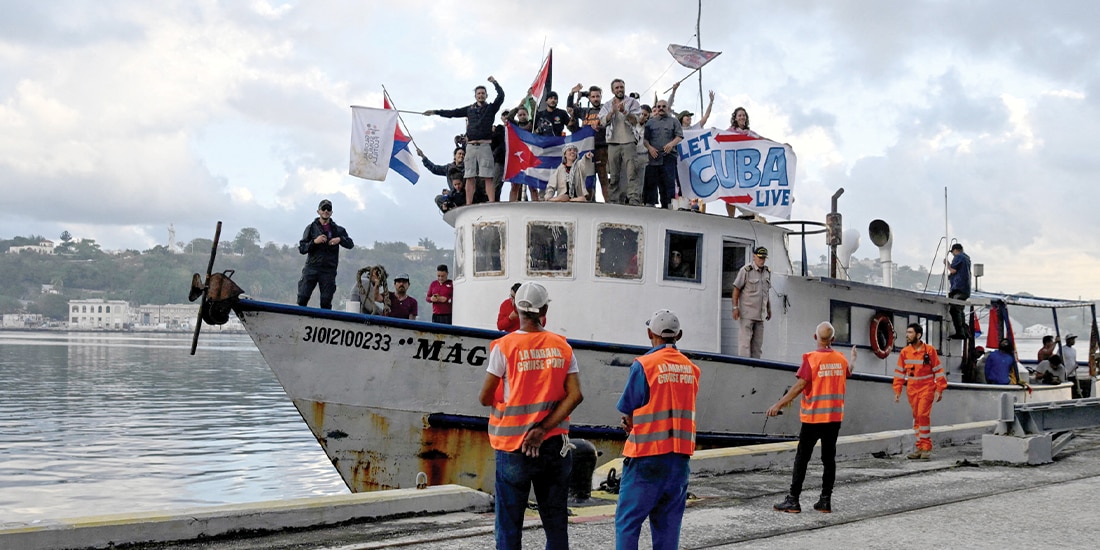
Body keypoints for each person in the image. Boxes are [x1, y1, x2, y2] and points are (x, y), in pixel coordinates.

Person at [478, 282, 583, 550]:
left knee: (509, 526)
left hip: (513, 448)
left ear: (515, 308)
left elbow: (484, 398)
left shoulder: (504, 347)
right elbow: (575, 395)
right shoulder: (562, 347)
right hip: (553, 448)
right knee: (556, 522)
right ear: (545, 309)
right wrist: (542, 430)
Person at [614, 309, 700, 549]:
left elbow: (629, 407)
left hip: (646, 458)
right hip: (679, 460)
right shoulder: (692, 369)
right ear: (679, 335)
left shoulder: (644, 365)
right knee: (668, 528)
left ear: (649, 332)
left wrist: (631, 422)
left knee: (628, 523)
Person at [769, 322, 856, 514]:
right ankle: (825, 501)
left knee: (802, 459)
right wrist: (853, 360)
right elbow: (848, 372)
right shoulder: (841, 359)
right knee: (828, 459)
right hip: (834, 418)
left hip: (813, 418)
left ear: (815, 337)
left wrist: (778, 404)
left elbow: (799, 386)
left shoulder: (811, 359)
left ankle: (793, 500)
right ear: (833, 339)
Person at [424, 76, 505, 205]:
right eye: (478, 93)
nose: (481, 95)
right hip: (471, 147)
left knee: (488, 177)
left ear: (486, 95)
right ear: (475, 96)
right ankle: (468, 203)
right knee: (469, 176)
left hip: (485, 146)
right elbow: (453, 113)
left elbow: (501, 96)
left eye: (483, 93)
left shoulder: (491, 108)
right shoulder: (469, 109)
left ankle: (491, 202)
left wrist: (495, 82)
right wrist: (435, 112)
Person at [894, 323, 946, 459]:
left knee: (923, 415)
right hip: (912, 389)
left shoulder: (930, 351)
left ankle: (926, 447)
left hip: (927, 387)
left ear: (918, 335)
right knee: (917, 417)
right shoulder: (905, 352)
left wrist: (940, 389)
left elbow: (938, 371)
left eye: (910, 333)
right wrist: (897, 390)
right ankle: (919, 447)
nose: (907, 335)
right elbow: (900, 373)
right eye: (907, 332)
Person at [296, 199, 354, 310]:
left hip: (329, 270)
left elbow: (350, 244)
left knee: (326, 302)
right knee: (302, 298)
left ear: (331, 212)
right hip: (311, 268)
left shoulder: (338, 229)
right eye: (323, 209)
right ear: (318, 211)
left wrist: (340, 239)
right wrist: (314, 242)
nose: (326, 211)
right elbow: (302, 248)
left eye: (329, 209)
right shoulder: (311, 228)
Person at [600, 79, 643, 205]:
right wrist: (612, 112)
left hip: (629, 141)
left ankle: (634, 199)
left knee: (632, 172)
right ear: (613, 90)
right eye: (617, 88)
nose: (619, 89)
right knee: (614, 175)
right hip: (613, 142)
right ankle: (613, 200)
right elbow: (602, 121)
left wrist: (625, 111)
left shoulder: (632, 102)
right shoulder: (608, 104)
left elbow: (637, 120)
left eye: (621, 87)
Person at [567, 84, 608, 202]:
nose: (595, 99)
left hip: (601, 146)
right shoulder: (584, 111)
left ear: (601, 97)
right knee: (588, 177)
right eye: (593, 96)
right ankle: (589, 202)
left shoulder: (605, 108)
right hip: (586, 148)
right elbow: (570, 108)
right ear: (589, 98)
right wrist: (572, 93)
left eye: (598, 96)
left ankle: (608, 202)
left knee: (602, 176)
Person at [644, 99, 685, 209]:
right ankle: (650, 205)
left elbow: (679, 136)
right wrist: (650, 148)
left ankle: (668, 206)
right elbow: (645, 140)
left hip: (668, 157)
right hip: (654, 158)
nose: (661, 108)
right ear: (656, 108)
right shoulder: (650, 122)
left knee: (668, 183)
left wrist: (671, 144)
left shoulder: (674, 121)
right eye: (659, 106)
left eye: (663, 106)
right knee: (651, 183)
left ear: (668, 108)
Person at [732, 246, 772, 358]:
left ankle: (756, 369)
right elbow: (736, 289)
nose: (762, 260)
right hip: (747, 314)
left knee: (757, 347)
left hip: (760, 316)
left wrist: (769, 309)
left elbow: (766, 293)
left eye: (764, 258)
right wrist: (735, 308)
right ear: (754, 257)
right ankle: (744, 368)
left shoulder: (767, 272)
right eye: (760, 258)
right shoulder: (746, 270)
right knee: (744, 346)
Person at [417, 146, 465, 213]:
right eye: (459, 154)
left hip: (464, 195)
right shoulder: (448, 168)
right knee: (438, 198)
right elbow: (435, 169)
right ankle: (450, 211)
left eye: (463, 154)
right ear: (455, 156)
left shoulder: (467, 168)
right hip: (453, 196)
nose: (461, 156)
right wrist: (423, 157)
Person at [946, 243, 971, 339]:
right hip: (965, 288)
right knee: (960, 309)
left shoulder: (959, 257)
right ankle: (964, 331)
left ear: (956, 250)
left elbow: (953, 270)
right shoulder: (967, 258)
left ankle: (960, 332)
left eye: (953, 253)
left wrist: (947, 264)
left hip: (959, 288)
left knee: (954, 309)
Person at [1064, 333, 1081, 398]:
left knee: (1075, 390)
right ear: (1068, 340)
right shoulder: (1062, 349)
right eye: (1072, 339)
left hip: (1073, 373)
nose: (1074, 341)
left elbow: (1073, 360)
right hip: (1066, 373)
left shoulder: (1074, 350)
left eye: (1074, 339)